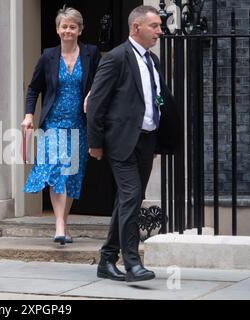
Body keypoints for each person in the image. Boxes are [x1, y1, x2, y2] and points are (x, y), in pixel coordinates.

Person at [86, 5, 179, 282]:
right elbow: (97, 104)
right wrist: (95, 142)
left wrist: (159, 140)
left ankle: (106, 259)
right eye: (155, 26)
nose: (160, 31)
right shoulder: (116, 58)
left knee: (129, 200)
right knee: (130, 197)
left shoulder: (153, 60)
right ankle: (132, 262)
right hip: (121, 142)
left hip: (146, 141)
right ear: (136, 27)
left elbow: (154, 101)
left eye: (160, 26)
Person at [21, 6, 100, 245]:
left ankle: (63, 224)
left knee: (71, 174)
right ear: (57, 29)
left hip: (79, 123)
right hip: (54, 122)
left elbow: (100, 81)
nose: (68, 30)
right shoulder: (48, 56)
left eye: (72, 27)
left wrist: (92, 94)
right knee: (57, 168)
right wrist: (28, 115)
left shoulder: (91, 53)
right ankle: (59, 225)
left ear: (80, 30)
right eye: (64, 26)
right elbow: (34, 87)